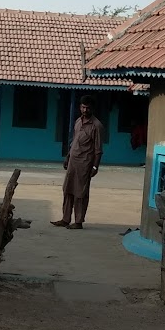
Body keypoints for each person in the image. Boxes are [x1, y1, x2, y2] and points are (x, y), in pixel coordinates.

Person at [51, 95, 104, 230]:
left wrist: (95, 167)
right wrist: (67, 157)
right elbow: (73, 141)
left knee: (80, 193)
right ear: (80, 107)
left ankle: (78, 221)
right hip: (72, 162)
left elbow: (98, 150)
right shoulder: (78, 122)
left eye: (88, 108)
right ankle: (65, 219)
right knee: (67, 189)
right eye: (83, 107)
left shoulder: (96, 126)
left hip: (85, 164)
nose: (85, 110)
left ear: (92, 109)